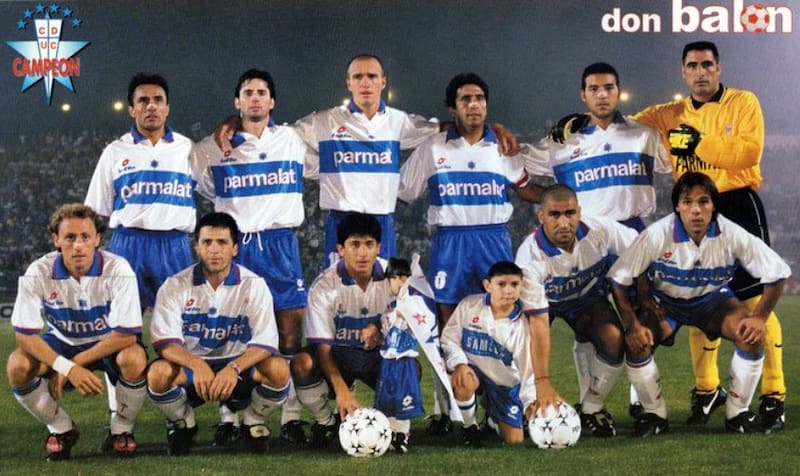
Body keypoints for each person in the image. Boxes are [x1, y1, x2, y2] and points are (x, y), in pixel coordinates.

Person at [551, 43, 786, 431]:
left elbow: (749, 153)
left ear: (718, 67)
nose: (700, 72)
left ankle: (773, 395)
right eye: (692, 66)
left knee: (752, 301)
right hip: (689, 203)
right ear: (683, 72)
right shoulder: (667, 114)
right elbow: (620, 124)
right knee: (696, 296)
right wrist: (581, 122)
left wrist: (699, 143)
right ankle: (707, 388)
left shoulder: (743, 102)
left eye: (707, 65)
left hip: (734, 202)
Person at [519, 62, 671, 416]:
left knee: (643, 320)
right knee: (591, 325)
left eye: (609, 88)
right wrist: (554, 204)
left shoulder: (643, 134)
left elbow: (678, 166)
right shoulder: (562, 140)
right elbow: (517, 173)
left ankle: (639, 400)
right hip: (583, 235)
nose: (602, 94)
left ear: (619, 92)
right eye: (594, 89)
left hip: (628, 234)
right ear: (582, 95)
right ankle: (589, 406)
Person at [397, 73, 537, 431]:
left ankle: (498, 403)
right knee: (447, 325)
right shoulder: (433, 148)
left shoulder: (502, 147)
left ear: (486, 105)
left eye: (479, 98)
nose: (473, 105)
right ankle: (445, 409)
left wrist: (566, 195)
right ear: (452, 107)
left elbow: (526, 189)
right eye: (465, 99)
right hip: (451, 242)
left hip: (493, 239)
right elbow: (403, 190)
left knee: (499, 320)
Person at [608, 172, 790, 436]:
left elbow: (778, 272)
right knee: (638, 342)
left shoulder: (731, 233)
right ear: (677, 207)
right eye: (687, 202)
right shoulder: (657, 234)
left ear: (713, 206)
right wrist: (632, 324)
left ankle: (737, 413)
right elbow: (619, 278)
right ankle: (654, 415)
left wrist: (759, 317)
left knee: (750, 336)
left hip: (714, 300)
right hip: (667, 303)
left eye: (703, 202)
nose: (696, 210)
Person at [192, 68, 315, 446]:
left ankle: (291, 416)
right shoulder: (210, 148)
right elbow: (207, 188)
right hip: (239, 245)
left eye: (262, 92)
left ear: (272, 101)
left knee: (290, 330)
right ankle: (230, 415)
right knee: (233, 330)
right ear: (237, 101)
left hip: (280, 244)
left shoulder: (294, 139)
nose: (255, 98)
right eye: (248, 92)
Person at [7, 203, 147, 460]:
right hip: (62, 341)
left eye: (85, 237)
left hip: (109, 343)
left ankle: (121, 430)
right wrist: (66, 366)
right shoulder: (38, 271)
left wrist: (73, 365)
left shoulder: (118, 269)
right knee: (17, 365)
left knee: (134, 358)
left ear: (97, 239)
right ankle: (61, 429)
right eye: (70, 237)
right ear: (56, 240)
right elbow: (24, 334)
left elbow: (126, 334)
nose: (78, 245)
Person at [147, 212, 290, 455]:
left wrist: (233, 368)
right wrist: (196, 365)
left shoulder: (254, 284)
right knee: (158, 374)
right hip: (193, 370)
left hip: (238, 369)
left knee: (278, 369)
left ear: (235, 248)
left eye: (222, 243)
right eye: (207, 242)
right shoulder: (175, 285)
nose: (214, 250)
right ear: (197, 248)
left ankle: (253, 421)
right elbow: (165, 343)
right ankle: (183, 424)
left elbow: (266, 342)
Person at [515, 184, 638, 437]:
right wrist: (543, 383)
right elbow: (538, 323)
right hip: (544, 306)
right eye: (554, 215)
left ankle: (592, 409)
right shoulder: (529, 257)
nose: (563, 223)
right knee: (521, 346)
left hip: (586, 301)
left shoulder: (601, 229)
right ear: (541, 217)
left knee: (614, 340)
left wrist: (644, 299)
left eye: (569, 213)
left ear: (579, 213)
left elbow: (642, 250)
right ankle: (527, 407)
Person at [290, 212, 393, 448]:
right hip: (339, 356)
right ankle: (326, 422)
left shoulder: (393, 278)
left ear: (379, 247)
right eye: (354, 245)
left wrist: (379, 326)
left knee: (410, 368)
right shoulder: (324, 285)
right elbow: (323, 349)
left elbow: (408, 321)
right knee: (301, 363)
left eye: (369, 244)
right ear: (340, 249)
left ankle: (391, 427)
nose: (362, 252)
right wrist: (342, 391)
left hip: (376, 357)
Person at [440, 261, 537, 447]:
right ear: (487, 285)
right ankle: (470, 428)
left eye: (514, 285)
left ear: (521, 286)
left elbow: (527, 370)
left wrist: (529, 403)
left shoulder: (521, 326)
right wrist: (460, 364)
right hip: (473, 372)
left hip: (504, 385)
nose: (508, 291)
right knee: (464, 379)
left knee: (514, 440)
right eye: (501, 284)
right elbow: (449, 338)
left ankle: (493, 420)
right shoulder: (470, 305)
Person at [373, 257, 428, 454]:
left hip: (404, 360)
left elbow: (419, 323)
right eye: (395, 278)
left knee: (403, 398)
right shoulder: (389, 305)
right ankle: (388, 433)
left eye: (403, 278)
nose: (399, 282)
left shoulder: (414, 304)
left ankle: (402, 434)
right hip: (387, 360)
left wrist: (406, 311)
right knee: (386, 399)